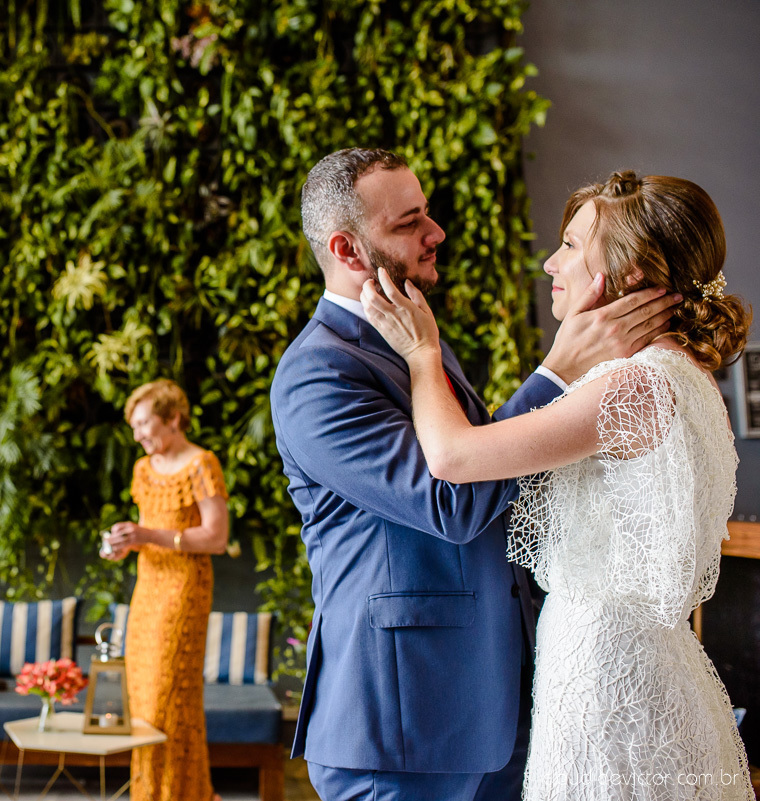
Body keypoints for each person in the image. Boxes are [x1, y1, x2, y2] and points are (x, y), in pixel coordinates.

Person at [269, 148, 682, 801]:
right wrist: (557, 374)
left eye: (426, 213)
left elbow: (498, 480)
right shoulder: (316, 374)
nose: (435, 232)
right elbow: (451, 502)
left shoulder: (418, 336)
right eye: (408, 223)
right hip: (404, 724)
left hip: (498, 701)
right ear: (347, 250)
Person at [361, 171, 753, 800]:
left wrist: (421, 354)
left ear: (626, 272)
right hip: (637, 665)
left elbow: (453, 457)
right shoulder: (686, 374)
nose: (551, 262)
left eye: (570, 246)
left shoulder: (632, 386)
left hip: (606, 678)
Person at [101, 378, 229, 801]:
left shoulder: (202, 464)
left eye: (144, 424)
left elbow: (216, 538)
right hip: (148, 589)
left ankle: (177, 794)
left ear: (173, 418)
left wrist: (148, 536)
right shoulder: (143, 469)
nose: (137, 434)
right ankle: (154, 792)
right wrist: (124, 544)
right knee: (142, 698)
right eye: (134, 427)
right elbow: (146, 530)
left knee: (169, 697)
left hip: (184, 590)